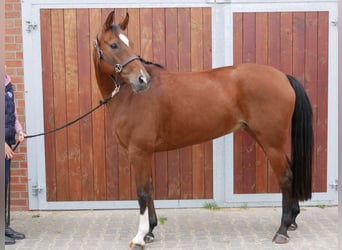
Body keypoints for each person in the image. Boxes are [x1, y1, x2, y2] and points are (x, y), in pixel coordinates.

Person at [4, 67, 26, 245]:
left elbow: (13, 115)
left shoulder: (7, 85)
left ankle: (4, 226)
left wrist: (19, 131)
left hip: (7, 143)